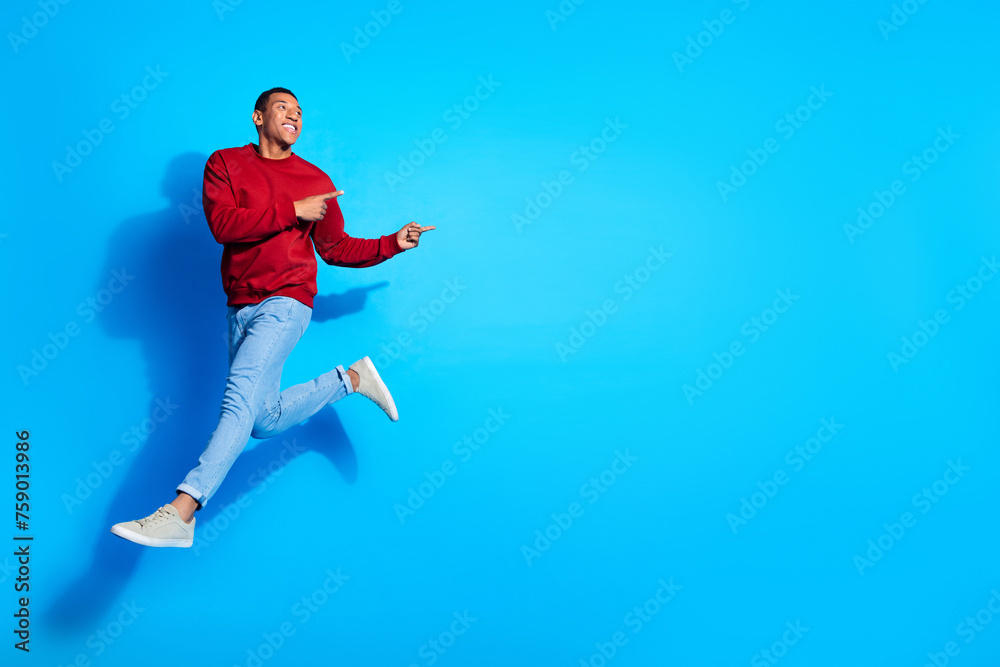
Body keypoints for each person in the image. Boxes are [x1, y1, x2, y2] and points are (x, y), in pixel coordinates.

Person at [110, 87, 434, 547]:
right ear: (259, 117)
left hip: (287, 302)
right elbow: (223, 225)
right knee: (261, 419)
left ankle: (181, 513)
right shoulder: (224, 164)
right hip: (239, 307)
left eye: (300, 112)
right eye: (284, 108)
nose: (295, 116)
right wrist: (292, 211)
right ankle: (351, 380)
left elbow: (336, 248)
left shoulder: (315, 179)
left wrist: (392, 243)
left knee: (237, 404)